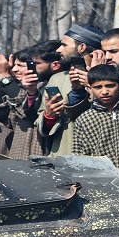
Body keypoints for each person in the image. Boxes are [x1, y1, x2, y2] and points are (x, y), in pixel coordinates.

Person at [38, 23, 104, 155]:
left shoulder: (110, 78)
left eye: (64, 45)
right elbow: (41, 122)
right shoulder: (58, 79)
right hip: (61, 155)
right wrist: (48, 115)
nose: (58, 50)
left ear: (82, 47)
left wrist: (94, 82)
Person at [71, 63, 119, 174]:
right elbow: (79, 155)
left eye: (110, 86)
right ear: (89, 88)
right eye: (98, 87)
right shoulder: (85, 119)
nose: (104, 91)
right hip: (103, 178)